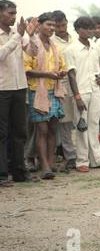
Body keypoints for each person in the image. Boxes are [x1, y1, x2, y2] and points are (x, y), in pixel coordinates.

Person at [64, 16, 100, 172]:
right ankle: (82, 161)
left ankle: (97, 159)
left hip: (95, 90)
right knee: (81, 126)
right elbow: (71, 74)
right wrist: (77, 97)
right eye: (86, 28)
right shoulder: (70, 49)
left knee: (93, 124)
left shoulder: (95, 46)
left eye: (91, 28)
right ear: (78, 30)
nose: (90, 31)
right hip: (81, 91)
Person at [24, 12, 68, 180]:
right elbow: (26, 69)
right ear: (39, 25)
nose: (51, 28)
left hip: (54, 90)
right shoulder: (31, 44)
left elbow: (62, 65)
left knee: (52, 129)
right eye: (48, 25)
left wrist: (61, 72)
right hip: (37, 91)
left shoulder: (55, 45)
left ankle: (49, 164)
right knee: (41, 129)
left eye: (54, 26)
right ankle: (43, 166)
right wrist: (47, 74)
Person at [0, 0, 38, 185]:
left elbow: (31, 52)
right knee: (2, 133)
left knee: (19, 131)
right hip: (2, 88)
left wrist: (30, 36)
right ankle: (2, 174)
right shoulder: (14, 35)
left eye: (15, 13)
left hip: (19, 87)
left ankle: (19, 172)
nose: (14, 17)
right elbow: (1, 55)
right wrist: (20, 37)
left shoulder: (17, 33)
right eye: (10, 13)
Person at [52, 10, 77, 171]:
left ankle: (83, 155)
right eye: (58, 26)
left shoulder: (75, 38)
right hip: (65, 84)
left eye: (63, 24)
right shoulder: (53, 42)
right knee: (66, 122)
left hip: (82, 82)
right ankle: (70, 156)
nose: (61, 28)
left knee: (81, 120)